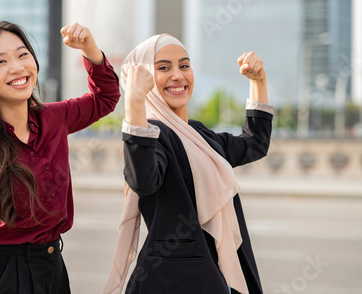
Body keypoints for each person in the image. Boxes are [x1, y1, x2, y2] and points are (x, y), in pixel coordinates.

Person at [0, 21, 120, 294]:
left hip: (52, 270)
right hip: (0, 277)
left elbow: (105, 98)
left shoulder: (54, 118)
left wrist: (90, 49)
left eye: (22, 54)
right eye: (1, 61)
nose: (17, 67)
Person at [104, 34, 274, 294]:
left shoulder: (198, 134)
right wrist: (134, 104)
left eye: (184, 65)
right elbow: (144, 180)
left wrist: (258, 82)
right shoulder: (152, 136)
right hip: (168, 282)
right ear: (143, 78)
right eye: (163, 67)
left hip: (215, 278)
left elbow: (254, 144)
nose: (178, 75)